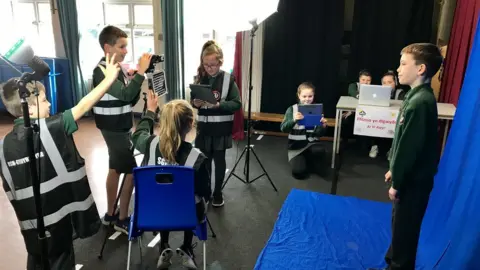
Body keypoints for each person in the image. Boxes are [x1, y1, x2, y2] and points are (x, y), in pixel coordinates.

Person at [0, 54, 120, 269]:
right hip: (59, 229)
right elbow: (83, 106)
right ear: (30, 107)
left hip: (31, 232)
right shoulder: (51, 128)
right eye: (44, 100)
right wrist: (109, 79)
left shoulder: (3, 145)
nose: (49, 104)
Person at [369, 43, 443, 270]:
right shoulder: (415, 96)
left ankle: (399, 266)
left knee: (405, 230)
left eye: (403, 64)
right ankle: (392, 264)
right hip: (408, 178)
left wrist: (398, 182)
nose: (398, 69)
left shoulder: (420, 103)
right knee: (399, 225)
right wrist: (394, 167)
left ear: (420, 69)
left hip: (413, 183)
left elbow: (410, 149)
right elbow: (402, 142)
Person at [132, 93, 211, 269]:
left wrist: (150, 111)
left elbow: (137, 134)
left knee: (164, 196)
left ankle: (163, 245)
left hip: (151, 213)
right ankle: (187, 247)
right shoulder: (197, 158)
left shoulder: (150, 144)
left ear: (163, 123)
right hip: (187, 216)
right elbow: (206, 192)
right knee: (191, 199)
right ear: (190, 124)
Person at [92, 25, 152, 233]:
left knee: (115, 169)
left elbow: (129, 98)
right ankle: (123, 218)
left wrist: (136, 77)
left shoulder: (117, 69)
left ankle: (111, 213)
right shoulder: (101, 71)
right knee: (131, 173)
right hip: (113, 129)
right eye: (122, 46)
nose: (126, 50)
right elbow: (126, 96)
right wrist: (141, 74)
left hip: (120, 126)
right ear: (108, 47)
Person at [191, 40, 241, 207]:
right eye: (206, 65)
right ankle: (205, 191)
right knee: (205, 162)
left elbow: (237, 104)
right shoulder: (200, 76)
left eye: (212, 65)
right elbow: (193, 100)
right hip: (204, 129)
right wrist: (194, 103)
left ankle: (217, 192)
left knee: (219, 162)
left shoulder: (228, 80)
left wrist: (220, 105)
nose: (209, 68)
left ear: (220, 62)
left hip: (220, 129)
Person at [280, 82, 328, 179]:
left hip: (312, 144)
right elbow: (283, 128)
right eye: (304, 96)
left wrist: (323, 126)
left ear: (314, 96)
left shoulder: (317, 109)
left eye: (310, 96)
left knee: (321, 160)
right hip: (296, 146)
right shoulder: (292, 109)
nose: (307, 99)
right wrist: (294, 120)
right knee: (299, 173)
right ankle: (301, 160)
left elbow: (319, 134)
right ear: (299, 95)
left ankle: (309, 159)